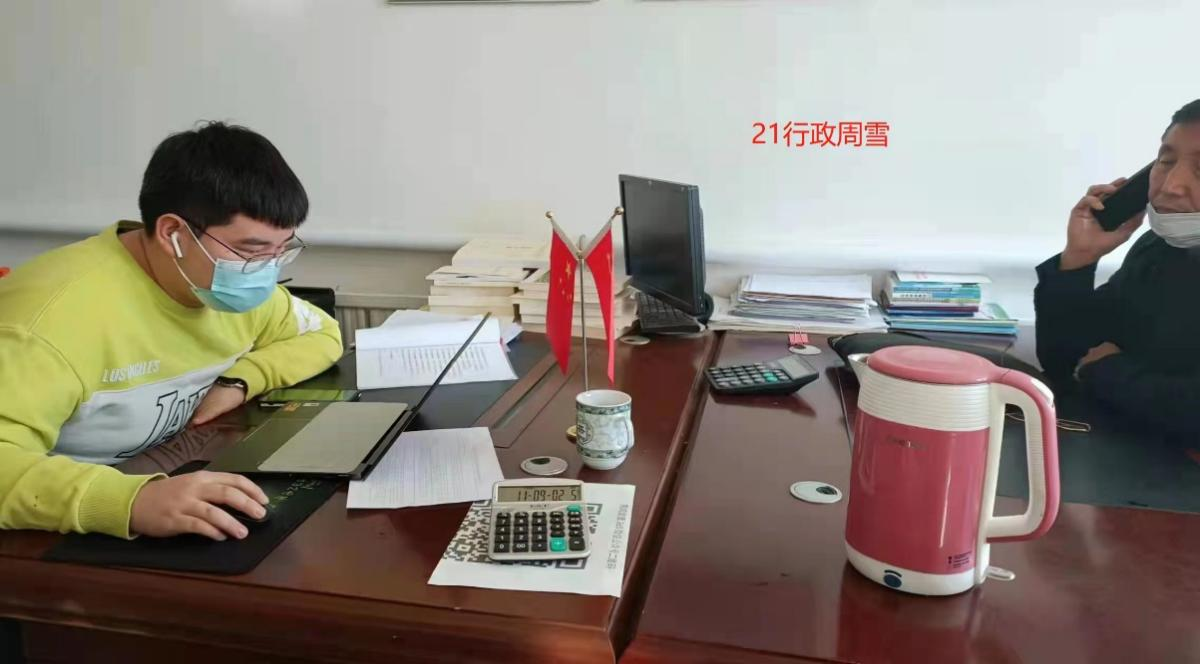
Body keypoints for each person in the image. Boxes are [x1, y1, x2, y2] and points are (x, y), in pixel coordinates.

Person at [0, 122, 343, 540]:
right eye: (250, 251)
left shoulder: (222, 288)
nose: (266, 272)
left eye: (281, 250)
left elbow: (322, 335)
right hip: (49, 531)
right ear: (173, 234)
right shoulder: (47, 322)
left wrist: (240, 381)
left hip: (162, 469)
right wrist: (130, 501)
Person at [1035, 99, 1200, 434]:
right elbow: (1066, 359)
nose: (1170, 186)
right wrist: (1079, 260)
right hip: (1121, 444)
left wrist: (1106, 371)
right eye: (1166, 162)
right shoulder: (1159, 248)